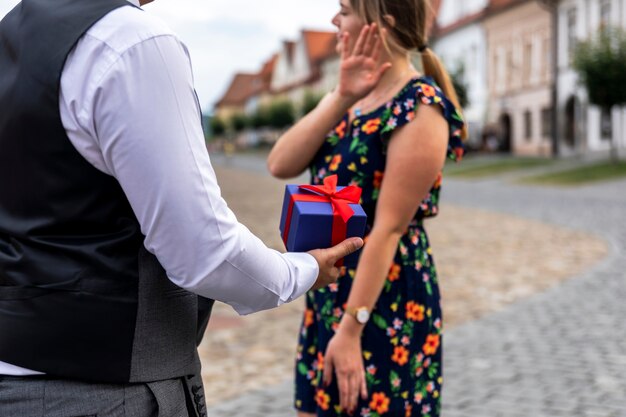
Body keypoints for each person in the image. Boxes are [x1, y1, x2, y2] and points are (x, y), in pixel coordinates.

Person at [0, 0, 363, 415]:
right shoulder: (131, 41)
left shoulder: (13, 32)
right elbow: (204, 252)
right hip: (105, 389)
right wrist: (305, 269)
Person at [267, 0, 466, 415]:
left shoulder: (420, 105)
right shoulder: (351, 99)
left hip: (384, 302)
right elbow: (280, 163)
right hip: (328, 294)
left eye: (344, 10)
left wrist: (351, 330)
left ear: (380, 23)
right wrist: (341, 94)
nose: (334, 21)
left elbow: (389, 229)